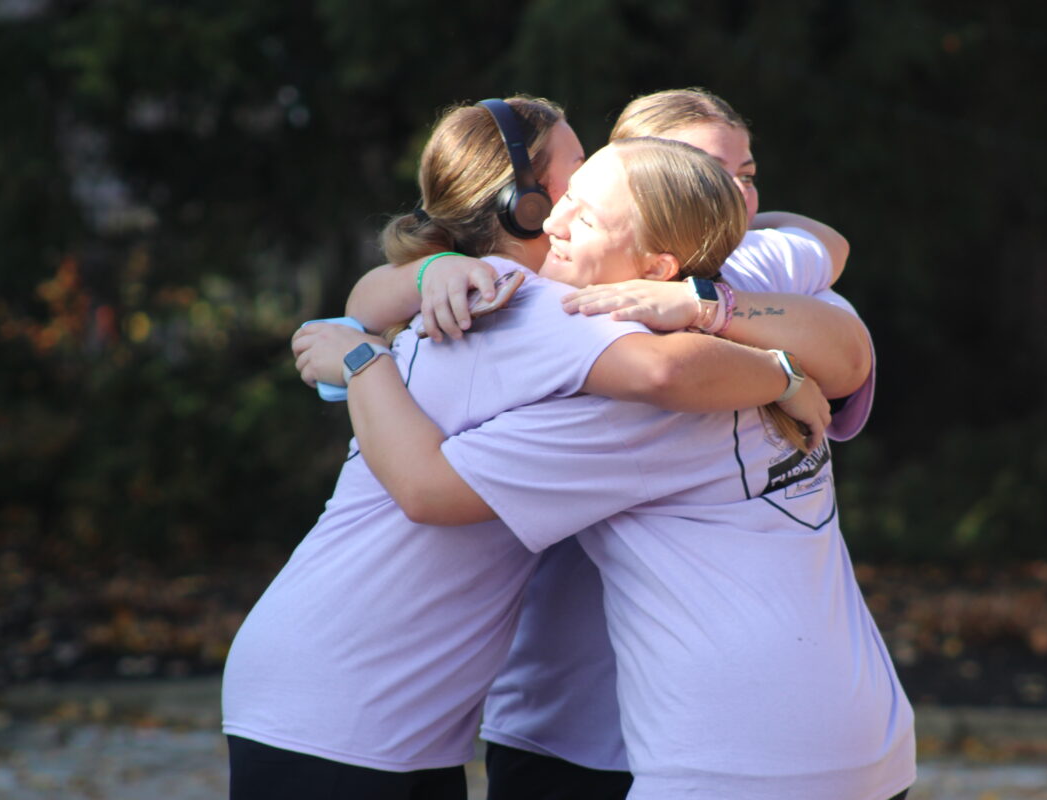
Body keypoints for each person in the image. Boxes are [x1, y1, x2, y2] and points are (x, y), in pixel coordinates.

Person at [222, 96, 830, 800]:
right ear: (528, 205)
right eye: (583, 170)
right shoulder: (533, 303)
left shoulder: (469, 287)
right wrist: (783, 376)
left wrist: (396, 304)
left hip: (354, 692)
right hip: (344, 697)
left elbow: (351, 313)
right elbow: (663, 369)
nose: (604, 177)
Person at [474, 88, 894, 800]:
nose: (730, 191)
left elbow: (841, 317)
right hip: (569, 731)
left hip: (727, 738)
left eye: (746, 174)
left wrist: (710, 305)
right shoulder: (554, 298)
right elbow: (406, 291)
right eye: (701, 168)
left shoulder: (748, 278)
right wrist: (420, 277)